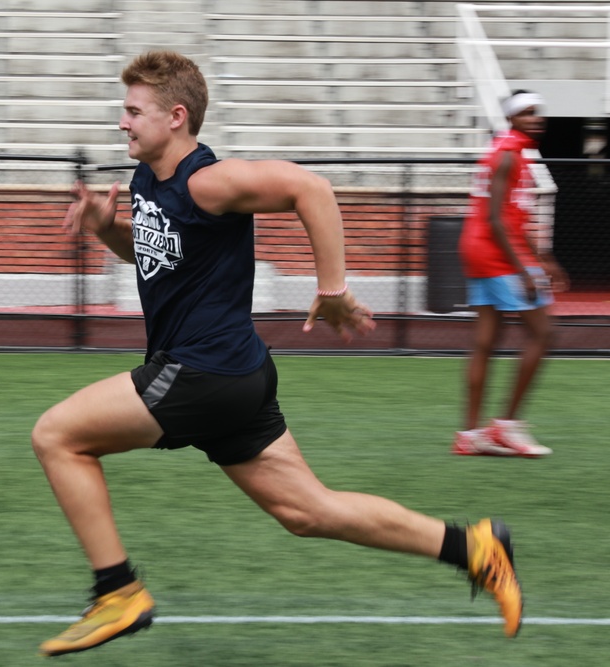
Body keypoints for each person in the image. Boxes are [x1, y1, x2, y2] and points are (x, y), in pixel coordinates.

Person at [31, 50, 522, 657]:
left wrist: (333, 289)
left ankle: (118, 591)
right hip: (232, 374)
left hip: (202, 370)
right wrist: (108, 229)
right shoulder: (148, 182)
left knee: (58, 436)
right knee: (309, 512)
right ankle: (473, 548)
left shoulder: (208, 180)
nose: (123, 122)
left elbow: (309, 188)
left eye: (133, 111)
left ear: (176, 117)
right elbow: (154, 254)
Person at [453, 90, 569, 457]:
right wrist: (525, 271)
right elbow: (498, 221)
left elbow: (512, 218)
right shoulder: (508, 156)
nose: (538, 118)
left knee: (485, 342)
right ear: (512, 118)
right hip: (495, 251)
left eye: (540, 112)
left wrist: (544, 258)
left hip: (477, 247)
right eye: (529, 113)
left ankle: (469, 436)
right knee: (544, 332)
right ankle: (506, 427)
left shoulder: (505, 150)